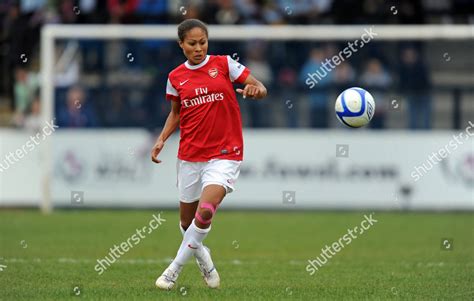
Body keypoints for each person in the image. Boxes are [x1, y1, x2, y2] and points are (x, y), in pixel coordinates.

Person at [150, 19, 267, 290]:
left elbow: (260, 87)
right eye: (192, 44)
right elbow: (176, 113)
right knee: (186, 223)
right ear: (181, 45)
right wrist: (162, 139)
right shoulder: (175, 77)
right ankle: (203, 256)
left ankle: (173, 270)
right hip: (190, 154)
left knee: (205, 213)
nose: (199, 48)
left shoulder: (225, 64)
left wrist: (256, 90)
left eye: (203, 42)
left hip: (225, 152)